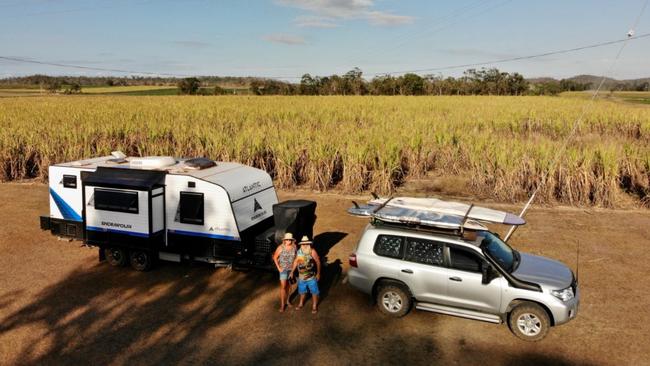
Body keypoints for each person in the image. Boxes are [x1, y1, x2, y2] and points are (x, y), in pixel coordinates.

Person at [289, 236, 321, 314]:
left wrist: (318, 273)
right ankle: (301, 303)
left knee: (314, 292)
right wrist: (292, 271)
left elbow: (318, 262)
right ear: (301, 244)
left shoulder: (312, 251)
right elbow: (296, 261)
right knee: (302, 291)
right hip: (301, 277)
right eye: (303, 244)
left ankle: (314, 306)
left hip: (311, 277)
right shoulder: (299, 251)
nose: (305, 245)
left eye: (306, 243)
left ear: (309, 244)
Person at [273, 232, 297, 312]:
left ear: (292, 240)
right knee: (283, 287)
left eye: (290, 239)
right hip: (283, 270)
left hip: (291, 269)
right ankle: (282, 305)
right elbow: (275, 257)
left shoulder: (294, 247)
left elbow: (296, 259)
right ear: (284, 240)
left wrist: (293, 271)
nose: (288, 241)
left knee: (289, 286)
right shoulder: (280, 247)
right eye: (287, 239)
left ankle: (288, 301)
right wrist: (279, 268)